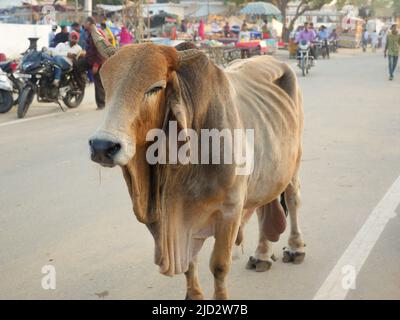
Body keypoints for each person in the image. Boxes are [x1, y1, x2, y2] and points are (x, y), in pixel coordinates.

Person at [75, 17, 112, 110]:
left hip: (100, 61)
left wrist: (96, 65)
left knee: (98, 81)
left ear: (89, 24)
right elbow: (91, 48)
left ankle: (101, 104)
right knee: (76, 65)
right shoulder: (88, 33)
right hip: (90, 59)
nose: (83, 25)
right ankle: (81, 84)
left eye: (85, 23)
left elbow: (101, 51)